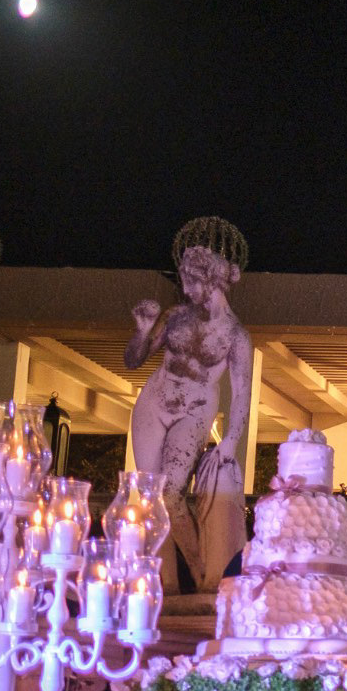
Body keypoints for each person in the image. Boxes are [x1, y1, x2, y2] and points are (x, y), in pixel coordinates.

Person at [125, 245, 253, 590]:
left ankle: (199, 571)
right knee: (150, 497)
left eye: (192, 282)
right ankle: (163, 584)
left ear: (211, 281)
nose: (186, 290)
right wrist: (142, 329)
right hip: (153, 402)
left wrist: (232, 439)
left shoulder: (236, 336)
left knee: (170, 493)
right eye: (183, 281)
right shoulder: (176, 316)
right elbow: (133, 360)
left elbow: (242, 393)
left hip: (195, 410)